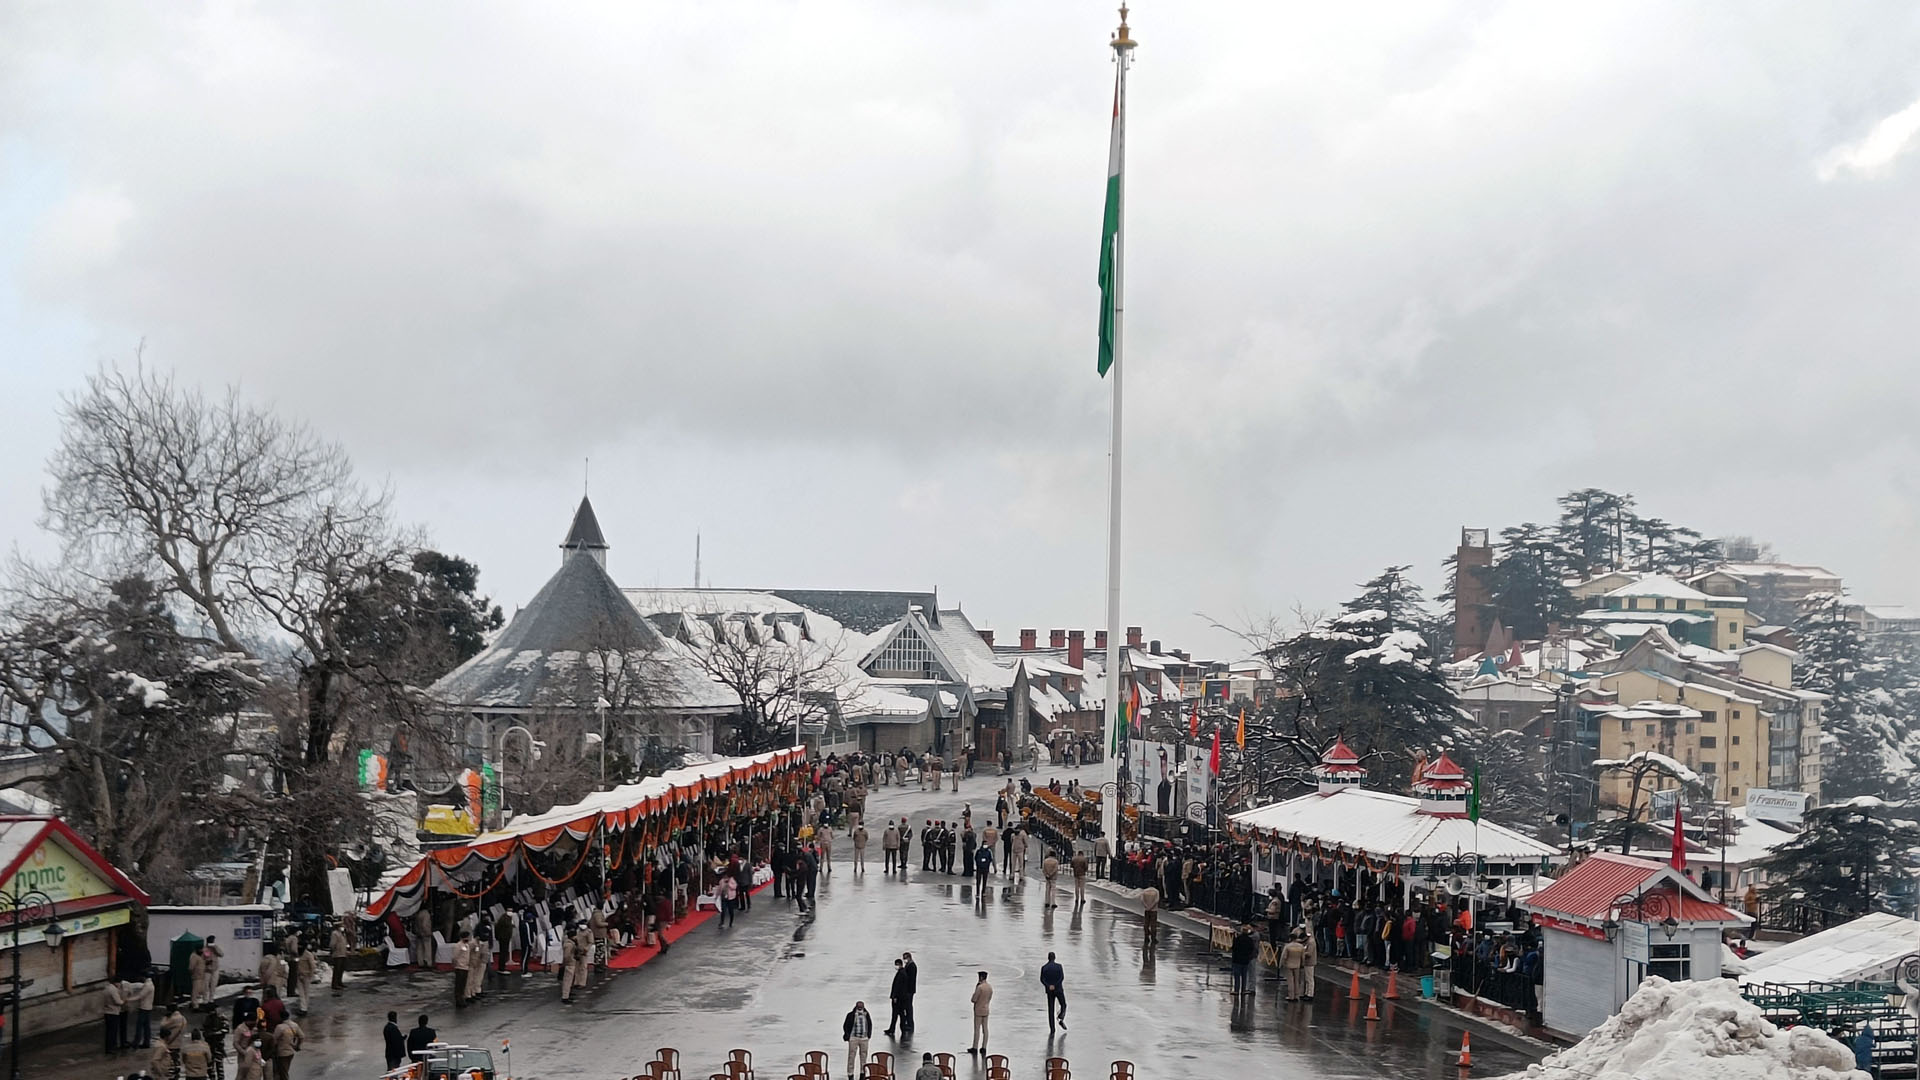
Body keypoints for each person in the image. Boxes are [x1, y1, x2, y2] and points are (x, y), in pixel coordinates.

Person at [842, 1000, 873, 1079]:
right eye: (858, 1007)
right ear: (856, 1007)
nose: (860, 1009)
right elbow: (845, 1026)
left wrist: (868, 1035)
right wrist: (848, 1035)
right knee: (851, 1056)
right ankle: (850, 1074)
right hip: (853, 1038)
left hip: (864, 1038)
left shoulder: (866, 1014)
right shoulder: (851, 1015)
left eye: (861, 1007)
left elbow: (869, 1024)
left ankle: (862, 1073)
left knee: (863, 1056)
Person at [268, 1014, 303, 1080]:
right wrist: (297, 1046)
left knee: (283, 1073)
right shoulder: (295, 1025)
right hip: (291, 1052)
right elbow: (301, 1036)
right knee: (285, 1070)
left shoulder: (279, 1027)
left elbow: (274, 1040)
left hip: (282, 1053)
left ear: (280, 1018)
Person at [1040, 952, 1067, 1032]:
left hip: (1049, 991)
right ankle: (1060, 1017)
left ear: (1048, 958)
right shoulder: (1059, 966)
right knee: (1063, 1004)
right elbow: (1061, 977)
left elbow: (1042, 979)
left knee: (1051, 1009)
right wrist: (1055, 985)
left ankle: (1052, 1028)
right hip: (1058, 989)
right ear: (1055, 958)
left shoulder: (1044, 967)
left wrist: (1049, 986)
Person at [161, 1005, 189, 1080]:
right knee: (176, 1057)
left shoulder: (173, 1018)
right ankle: (177, 1072)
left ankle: (173, 1074)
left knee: (171, 1058)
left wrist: (165, 1017)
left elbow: (163, 1025)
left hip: (171, 1041)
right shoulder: (183, 1018)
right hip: (179, 1040)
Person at [968, 970, 993, 1054]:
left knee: (977, 1029)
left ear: (981, 977)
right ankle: (984, 1047)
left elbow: (974, 999)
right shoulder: (989, 987)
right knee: (985, 1029)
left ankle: (975, 1047)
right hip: (986, 1009)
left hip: (978, 1010)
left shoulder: (980, 987)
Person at [1230, 924, 1258, 997]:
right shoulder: (1249, 940)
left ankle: (1236, 990)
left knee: (1237, 976)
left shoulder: (1238, 939)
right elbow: (1251, 949)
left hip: (1237, 960)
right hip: (1246, 960)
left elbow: (1234, 948)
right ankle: (1243, 990)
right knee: (1244, 976)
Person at [203, 1007, 229, 1080]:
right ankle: (212, 1077)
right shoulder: (208, 1018)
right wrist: (210, 1034)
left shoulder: (222, 1018)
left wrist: (216, 1033)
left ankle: (220, 1077)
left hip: (218, 1043)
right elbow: (205, 1031)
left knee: (219, 1063)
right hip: (210, 1043)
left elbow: (226, 1029)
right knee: (210, 1063)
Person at [1280, 931, 1307, 1000]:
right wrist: (1302, 964)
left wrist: (1281, 964)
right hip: (1297, 965)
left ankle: (1291, 996)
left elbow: (1284, 957)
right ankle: (1296, 995)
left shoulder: (1288, 946)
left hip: (1289, 965)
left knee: (1290, 981)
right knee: (1296, 981)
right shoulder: (1301, 946)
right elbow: (1303, 957)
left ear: (1290, 939)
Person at [896, 952, 918, 1035]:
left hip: (909, 991)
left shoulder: (912, 966)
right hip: (909, 990)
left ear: (909, 957)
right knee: (907, 1007)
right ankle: (908, 1023)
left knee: (908, 1007)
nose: (904, 960)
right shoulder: (909, 965)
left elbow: (910, 979)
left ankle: (909, 1024)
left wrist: (906, 991)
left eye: (905, 958)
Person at [102, 976, 124, 1054]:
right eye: (120, 983)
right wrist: (123, 1001)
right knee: (113, 1031)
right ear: (117, 983)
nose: (120, 985)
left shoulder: (106, 988)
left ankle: (108, 1047)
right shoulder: (113, 990)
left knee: (108, 1031)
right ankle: (112, 1047)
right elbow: (118, 1001)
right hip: (113, 1012)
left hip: (107, 1011)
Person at [292, 945, 316, 1015]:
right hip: (299, 975)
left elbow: (312, 966)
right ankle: (303, 1008)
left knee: (306, 992)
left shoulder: (308, 955)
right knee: (301, 993)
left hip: (306, 976)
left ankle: (304, 1008)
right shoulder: (298, 954)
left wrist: (311, 975)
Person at [328, 925, 350, 994]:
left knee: (341, 969)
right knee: (337, 969)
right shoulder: (335, 933)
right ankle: (335, 984)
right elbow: (332, 944)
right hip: (337, 954)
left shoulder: (342, 934)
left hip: (343, 953)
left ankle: (339, 982)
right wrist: (333, 950)